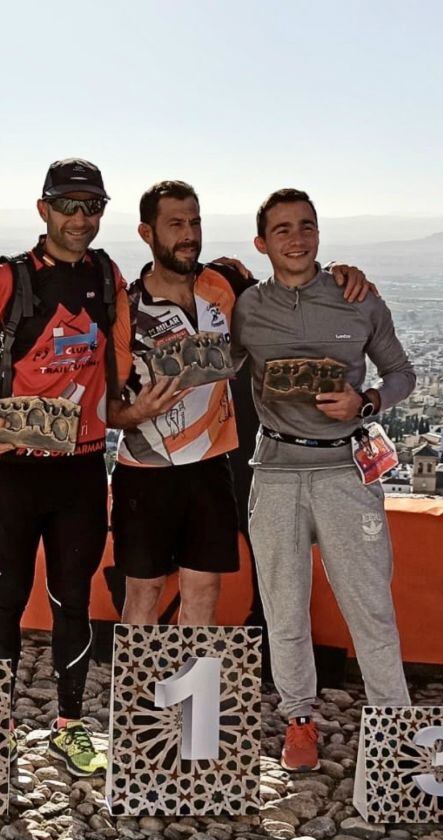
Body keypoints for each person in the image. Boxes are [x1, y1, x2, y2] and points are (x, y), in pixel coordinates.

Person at [0, 158, 130, 777]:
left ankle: (70, 729)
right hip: (15, 470)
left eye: (92, 206)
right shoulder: (10, 278)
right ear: (42, 208)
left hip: (80, 469)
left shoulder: (106, 273)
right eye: (68, 205)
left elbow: (124, 355)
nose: (80, 218)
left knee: (73, 601)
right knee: (5, 600)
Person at [107, 180, 373, 627]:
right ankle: (139, 696)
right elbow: (105, 408)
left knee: (204, 591)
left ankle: (185, 697)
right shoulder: (126, 308)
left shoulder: (227, 282)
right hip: (145, 472)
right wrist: (135, 414)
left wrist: (340, 274)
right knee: (144, 592)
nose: (189, 233)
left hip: (212, 466)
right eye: (175, 224)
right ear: (146, 233)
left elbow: (290, 285)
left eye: (195, 221)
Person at [232, 188, 415, 773]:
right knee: (283, 610)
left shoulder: (356, 297)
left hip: (345, 470)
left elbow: (401, 373)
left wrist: (367, 401)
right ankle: (298, 722)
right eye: (282, 229)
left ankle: (395, 731)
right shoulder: (246, 308)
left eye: (306, 226)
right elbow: (211, 356)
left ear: (319, 233)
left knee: (371, 608)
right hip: (277, 472)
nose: (297, 237)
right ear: (262, 244)